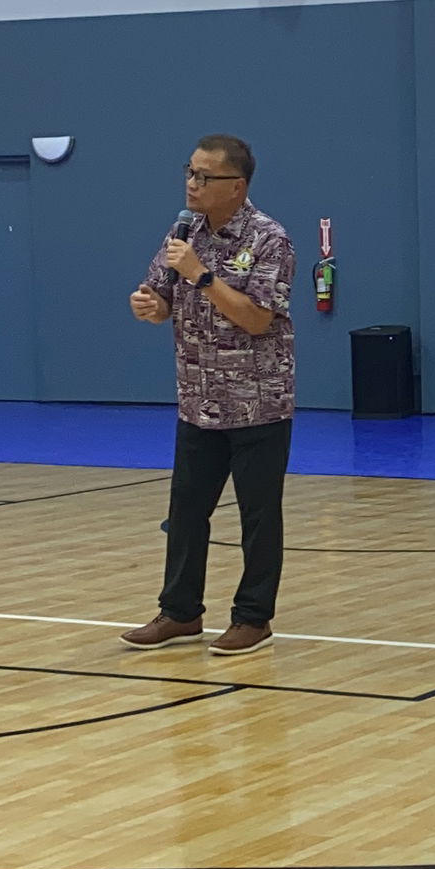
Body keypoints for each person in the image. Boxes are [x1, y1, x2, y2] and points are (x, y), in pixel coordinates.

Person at [121, 135, 297, 655]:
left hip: (257, 401)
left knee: (258, 515)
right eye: (189, 173)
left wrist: (199, 275)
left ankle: (253, 618)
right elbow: (162, 296)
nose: (192, 184)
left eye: (204, 177)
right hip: (198, 398)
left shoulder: (270, 239)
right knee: (187, 510)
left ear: (237, 186)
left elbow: (257, 317)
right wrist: (151, 304)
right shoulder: (184, 232)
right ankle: (179, 612)